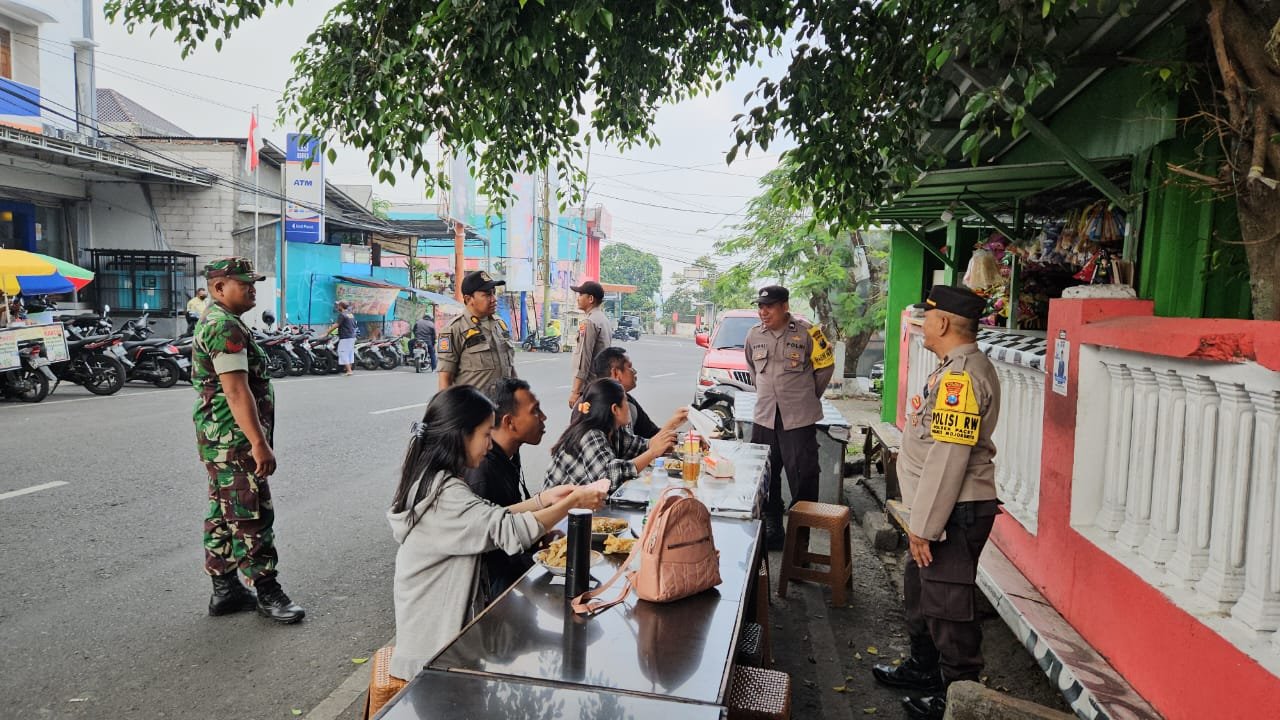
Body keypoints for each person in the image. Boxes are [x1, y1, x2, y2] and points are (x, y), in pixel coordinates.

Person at [388, 384, 605, 681]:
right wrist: (571, 504)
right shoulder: (446, 495)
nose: (490, 445)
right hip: (432, 662)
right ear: (460, 435)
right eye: (486, 434)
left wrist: (543, 500)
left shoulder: (435, 481)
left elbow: (487, 517)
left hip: (444, 649)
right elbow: (507, 531)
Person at [870, 285, 1001, 720]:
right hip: (938, 509)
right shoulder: (951, 370)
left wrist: (925, 527)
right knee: (921, 592)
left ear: (942, 322)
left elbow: (949, 459)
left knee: (948, 608)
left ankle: (959, 699)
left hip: (952, 512)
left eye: (925, 317)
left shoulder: (961, 378)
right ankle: (924, 669)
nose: (921, 325)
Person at [192, 257, 304, 624]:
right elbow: (236, 391)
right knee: (250, 511)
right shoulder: (224, 326)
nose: (252, 289)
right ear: (218, 288)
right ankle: (267, 590)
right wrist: (258, 442)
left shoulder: (219, 319)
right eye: (244, 283)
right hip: (234, 440)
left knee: (222, 511)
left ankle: (225, 590)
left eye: (253, 283)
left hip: (218, 437)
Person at [744, 285, 836, 550]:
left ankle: (800, 542)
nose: (763, 312)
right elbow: (752, 369)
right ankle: (773, 528)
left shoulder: (808, 332)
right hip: (765, 417)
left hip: (798, 420)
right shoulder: (753, 335)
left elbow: (825, 367)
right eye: (761, 307)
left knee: (804, 477)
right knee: (765, 475)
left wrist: (806, 398)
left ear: (785, 306)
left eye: (769, 306)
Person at [465, 378, 548, 605]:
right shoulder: (482, 472)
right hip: (492, 589)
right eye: (535, 411)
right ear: (509, 422)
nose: (543, 417)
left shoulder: (509, 454)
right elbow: (491, 550)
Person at [543, 378, 675, 492]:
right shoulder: (591, 434)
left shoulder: (614, 432)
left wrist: (667, 436)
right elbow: (608, 479)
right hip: (558, 509)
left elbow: (642, 446)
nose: (628, 407)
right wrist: (652, 452)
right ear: (615, 409)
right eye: (625, 402)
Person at [438, 271, 517, 395]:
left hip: (503, 405)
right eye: (487, 295)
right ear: (469, 299)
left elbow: (510, 369)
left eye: (494, 293)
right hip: (473, 406)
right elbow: (445, 379)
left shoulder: (500, 325)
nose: (494, 299)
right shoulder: (454, 330)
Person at [592, 346, 687, 440]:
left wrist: (683, 436)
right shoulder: (597, 412)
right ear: (616, 373)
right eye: (630, 367)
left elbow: (650, 435)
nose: (635, 371)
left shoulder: (628, 401)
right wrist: (672, 424)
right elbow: (646, 445)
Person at [567, 280, 612, 410]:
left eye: (581, 295)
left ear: (590, 299)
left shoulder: (590, 322)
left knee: (583, 420)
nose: (578, 298)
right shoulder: (603, 319)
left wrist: (575, 391)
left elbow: (584, 358)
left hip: (589, 388)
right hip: (600, 385)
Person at [330, 301, 358, 376]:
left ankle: (349, 370)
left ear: (341, 306)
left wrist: (327, 332)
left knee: (342, 352)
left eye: (338, 305)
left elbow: (337, 325)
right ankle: (349, 369)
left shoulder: (342, 314)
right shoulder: (350, 314)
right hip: (352, 336)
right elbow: (354, 324)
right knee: (349, 353)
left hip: (345, 337)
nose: (337, 307)